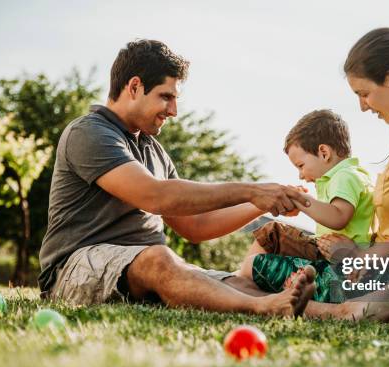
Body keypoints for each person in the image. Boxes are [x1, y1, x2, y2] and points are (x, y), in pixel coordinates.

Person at [38, 39, 315, 317]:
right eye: (166, 97)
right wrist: (252, 191)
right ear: (134, 87)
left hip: (145, 268)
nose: (173, 111)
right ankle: (262, 309)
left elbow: (195, 226)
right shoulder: (89, 133)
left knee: (238, 283)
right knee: (158, 258)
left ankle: (340, 310)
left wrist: (265, 203)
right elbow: (154, 196)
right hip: (74, 270)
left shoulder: (154, 152)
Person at [231, 28, 389, 322]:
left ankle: (342, 311)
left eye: (364, 94)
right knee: (270, 250)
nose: (363, 106)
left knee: (257, 269)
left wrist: (361, 258)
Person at [236, 109, 374, 303]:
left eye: (300, 165)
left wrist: (301, 200)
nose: (300, 175)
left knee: (272, 233)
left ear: (324, 153)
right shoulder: (341, 177)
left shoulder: (346, 176)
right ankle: (244, 277)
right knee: (272, 233)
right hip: (326, 248)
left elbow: (338, 217)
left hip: (336, 254)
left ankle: (242, 282)